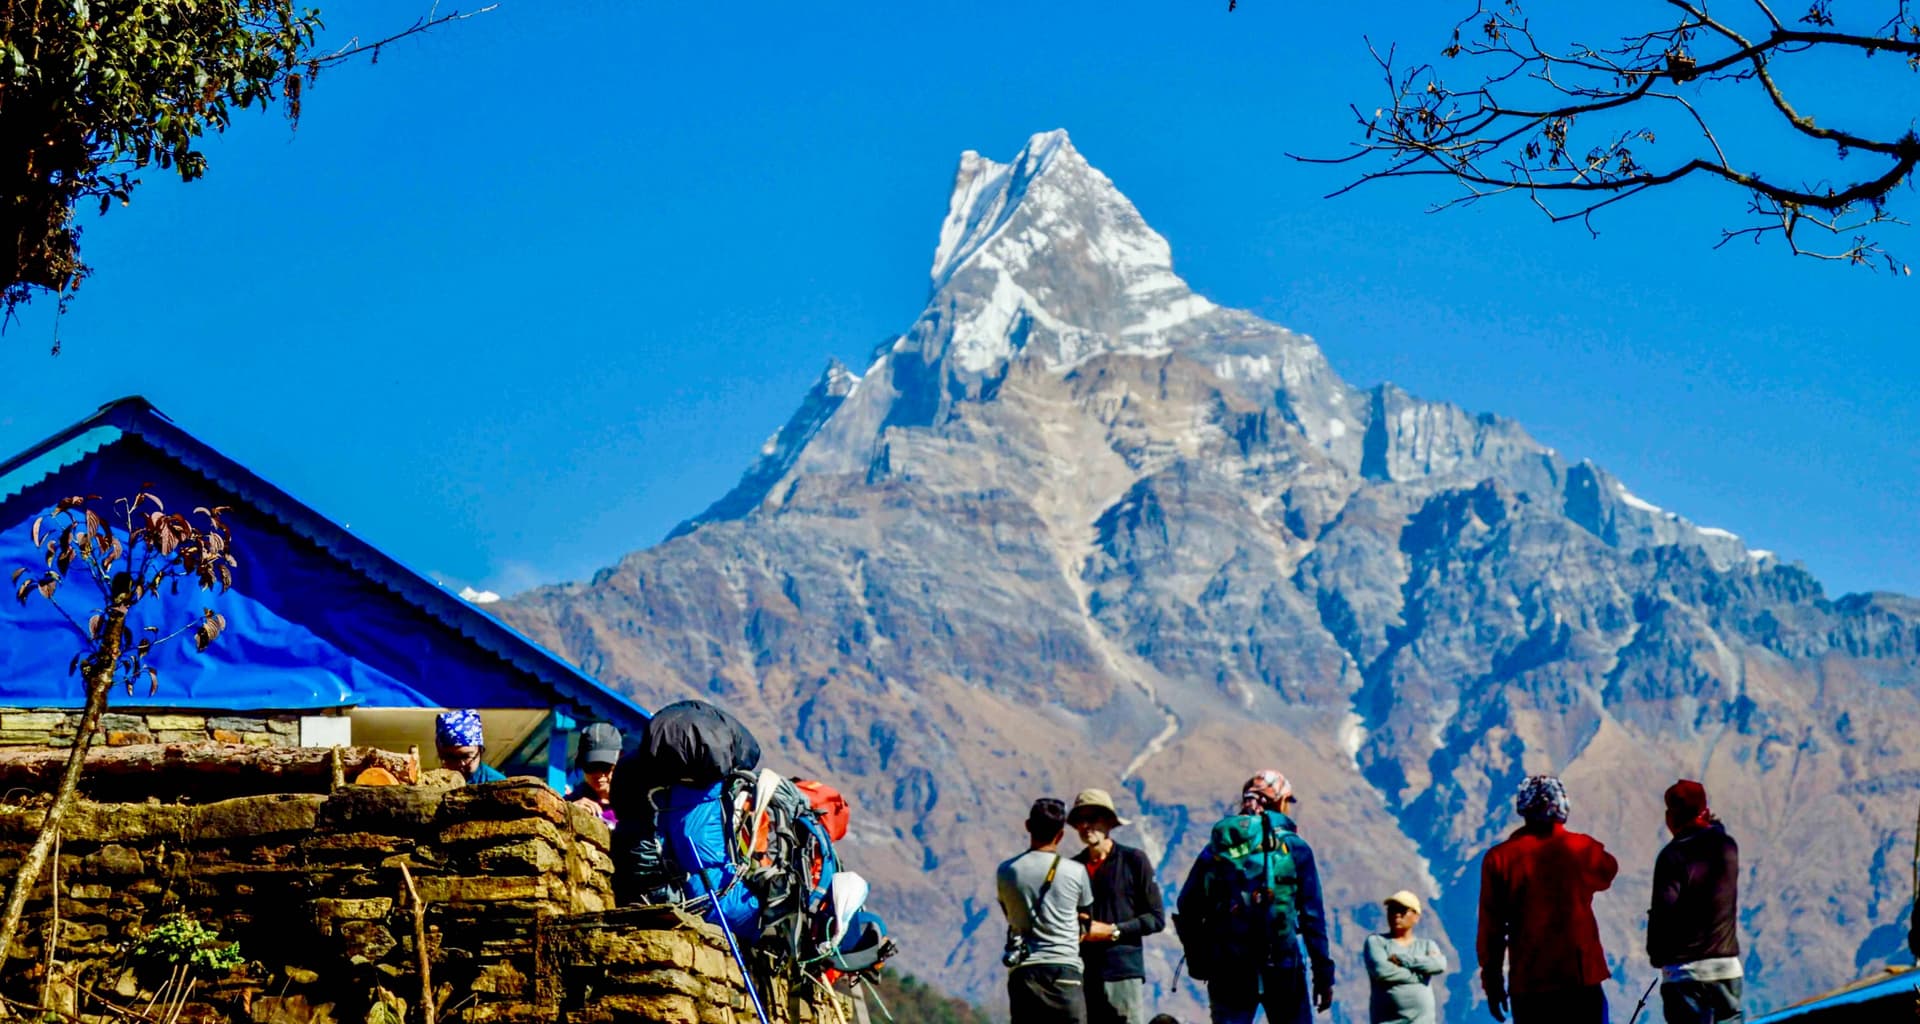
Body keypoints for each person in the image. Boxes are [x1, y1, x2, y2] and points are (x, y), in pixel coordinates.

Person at [1174, 770, 1335, 1024]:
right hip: (1283, 966)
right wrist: (1324, 976)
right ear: (1281, 802)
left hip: (1228, 968)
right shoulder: (1296, 848)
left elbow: (1187, 904)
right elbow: (1313, 918)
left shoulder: (1217, 850)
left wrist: (1205, 955)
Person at [1477, 775, 1618, 1024]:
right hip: (1580, 978)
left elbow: (1492, 930)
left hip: (1530, 984)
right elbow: (1607, 871)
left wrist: (1493, 983)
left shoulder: (1499, 860)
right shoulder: (1582, 849)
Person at [1648, 780, 1742, 1024]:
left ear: (1671, 817)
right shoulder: (1728, 847)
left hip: (1685, 976)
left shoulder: (1672, 856)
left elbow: (1662, 915)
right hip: (1726, 970)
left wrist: (1656, 956)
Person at [1069, 788, 1166, 1024]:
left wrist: (1112, 931)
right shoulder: (1071, 868)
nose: (1086, 826)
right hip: (1082, 974)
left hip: (1123, 972)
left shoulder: (1134, 861)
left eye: (1092, 818)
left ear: (1108, 822)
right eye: (1080, 820)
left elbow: (1156, 918)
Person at [997, 797, 1095, 1024]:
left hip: (1024, 973)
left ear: (1028, 826)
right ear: (1060, 834)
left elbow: (1009, 913)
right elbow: (1086, 920)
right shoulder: (1076, 872)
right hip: (1065, 971)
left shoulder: (1006, 872)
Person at [1362, 890, 1446, 1024]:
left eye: (1402, 910)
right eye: (1392, 910)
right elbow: (1382, 970)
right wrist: (1419, 975)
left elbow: (1439, 964)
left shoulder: (1427, 945)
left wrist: (1405, 960)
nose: (1396, 915)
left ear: (1416, 916)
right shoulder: (1376, 942)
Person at [567, 722, 622, 824]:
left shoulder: (637, 801)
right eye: (591, 767)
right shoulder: (572, 802)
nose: (599, 775)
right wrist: (569, 813)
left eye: (605, 767)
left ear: (619, 760)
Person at [435, 709, 507, 783]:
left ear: (480, 750)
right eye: (451, 757)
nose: (459, 765)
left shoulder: (497, 783)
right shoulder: (435, 783)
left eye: (466, 756)